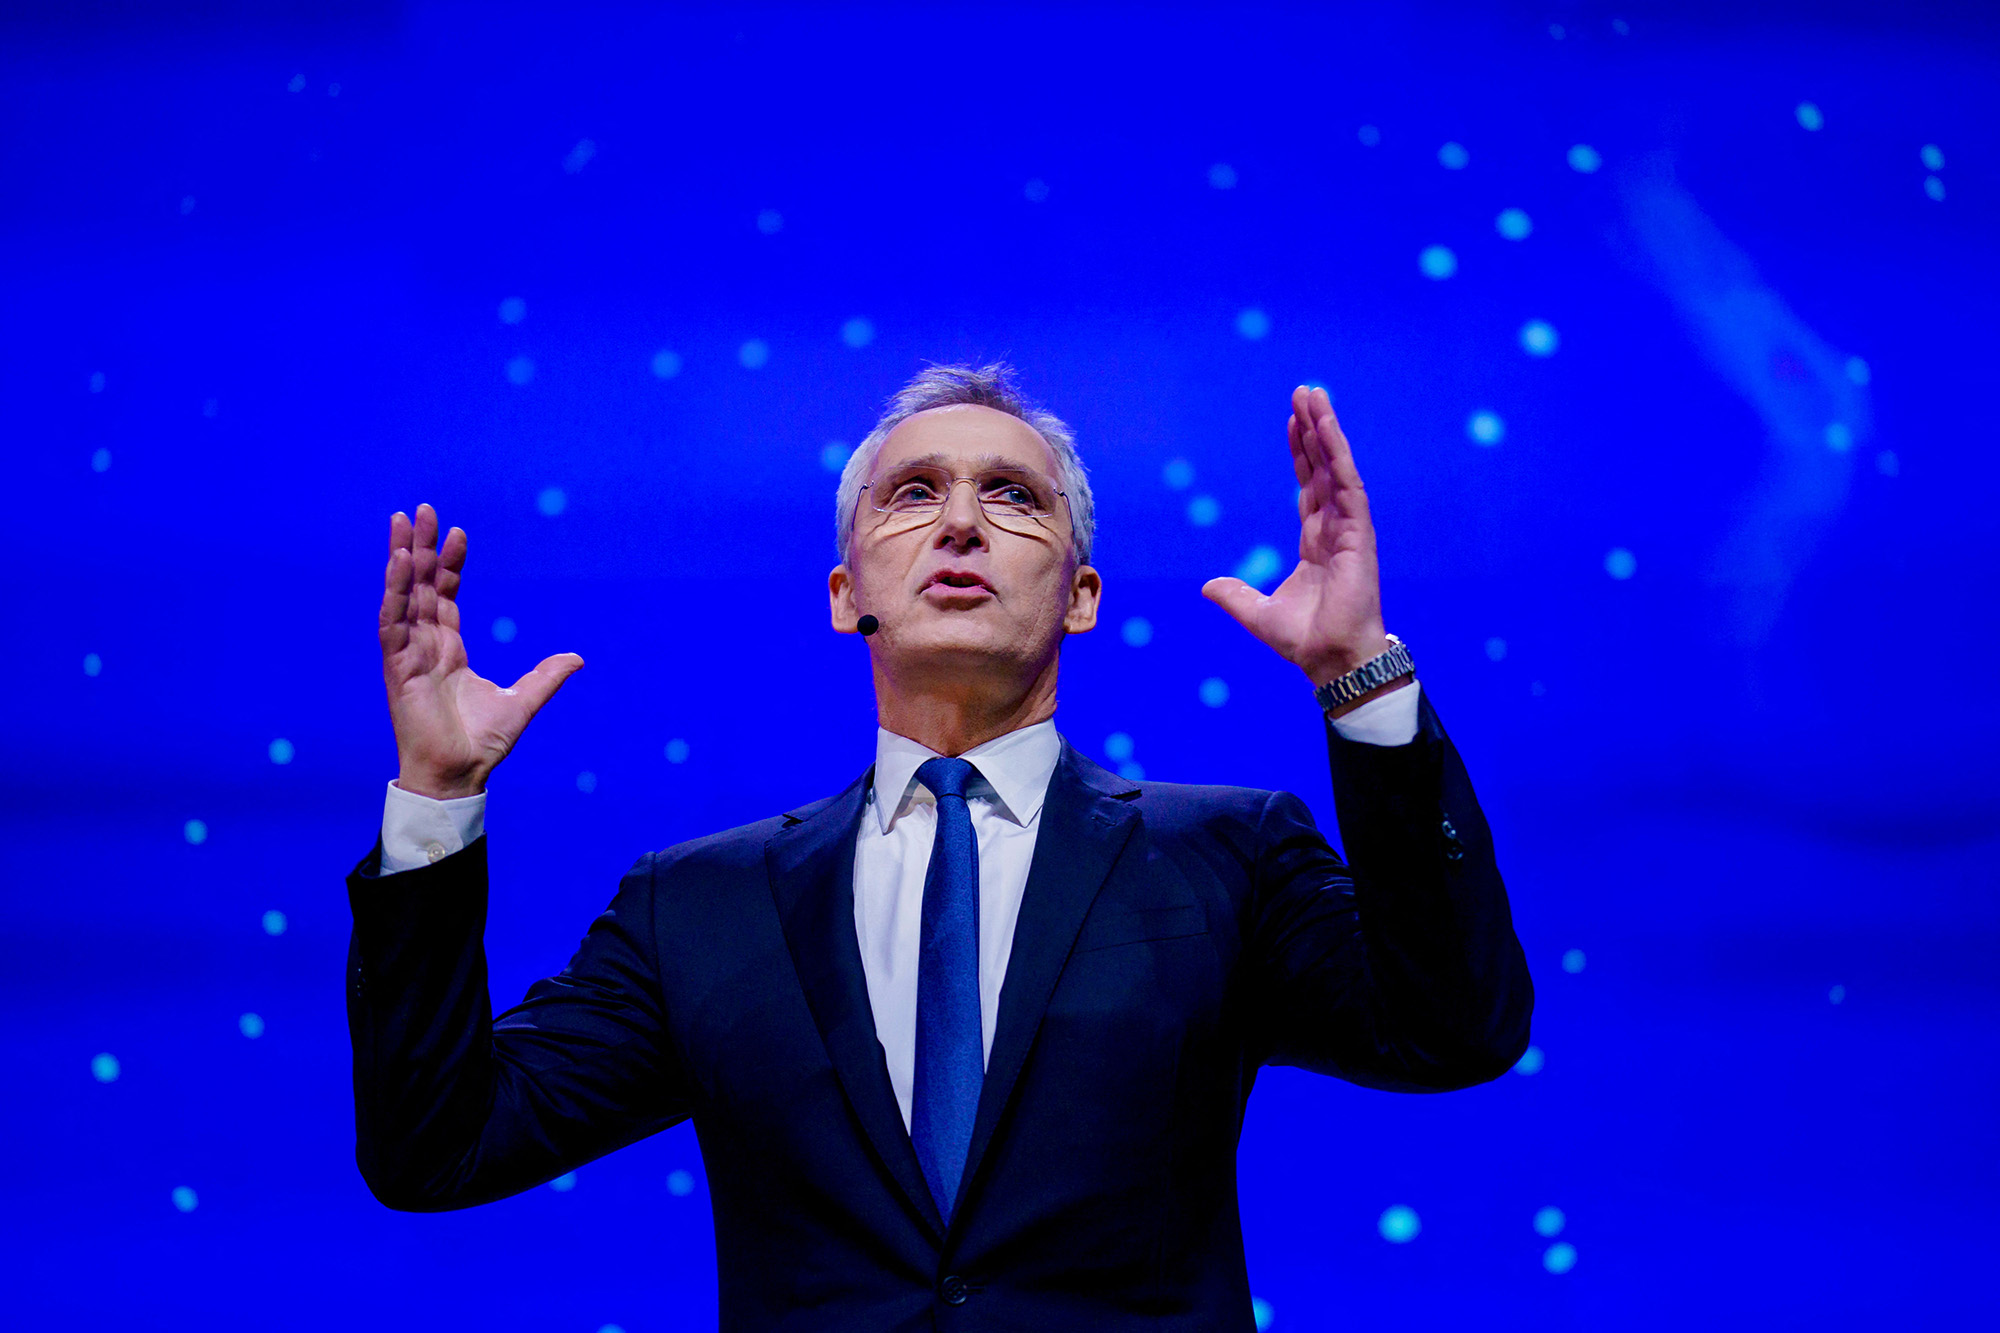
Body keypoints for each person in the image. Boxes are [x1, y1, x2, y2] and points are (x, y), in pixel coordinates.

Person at [347, 364, 1533, 1332]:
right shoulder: (696, 905)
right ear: (843, 591)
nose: (960, 521)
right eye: (911, 494)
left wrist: (1358, 682)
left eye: (1012, 498)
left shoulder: (1224, 855)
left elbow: (1451, 1028)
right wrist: (438, 800)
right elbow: (437, 1146)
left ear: (1078, 594)